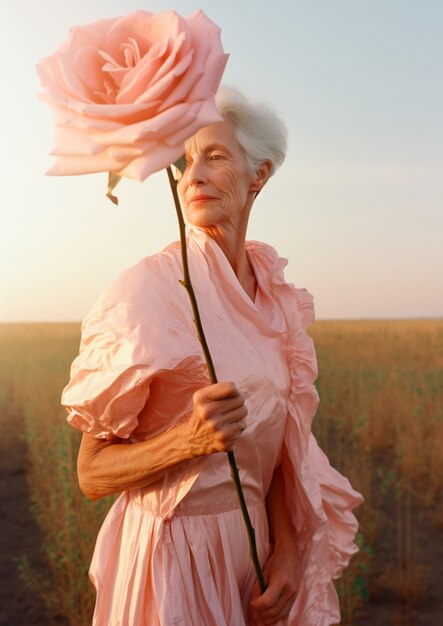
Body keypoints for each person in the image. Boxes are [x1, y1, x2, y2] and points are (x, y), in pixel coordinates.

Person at [62, 87, 363, 626]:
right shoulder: (147, 292)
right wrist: (187, 440)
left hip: (254, 560)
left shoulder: (275, 301)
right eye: (184, 160)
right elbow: (91, 473)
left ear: (259, 175)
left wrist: (288, 550)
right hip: (173, 560)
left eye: (215, 156)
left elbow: (275, 456)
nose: (193, 174)